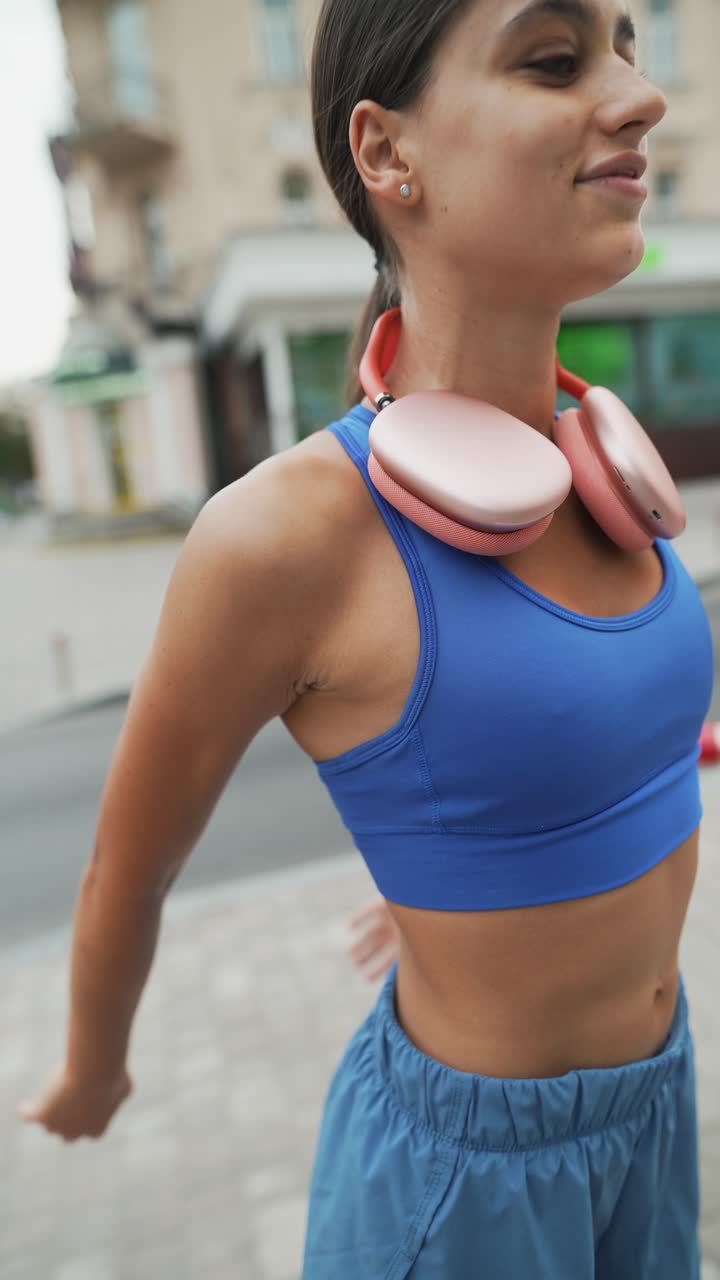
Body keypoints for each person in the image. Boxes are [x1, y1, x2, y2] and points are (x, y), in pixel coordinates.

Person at [19, 0, 714, 1275]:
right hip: (467, 1188)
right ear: (387, 154)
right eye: (557, 60)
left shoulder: (607, 469)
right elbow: (125, 866)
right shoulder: (278, 540)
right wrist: (89, 1071)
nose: (637, 94)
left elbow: (615, 725)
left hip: (656, 1116)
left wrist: (456, 862)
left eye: (626, 44)